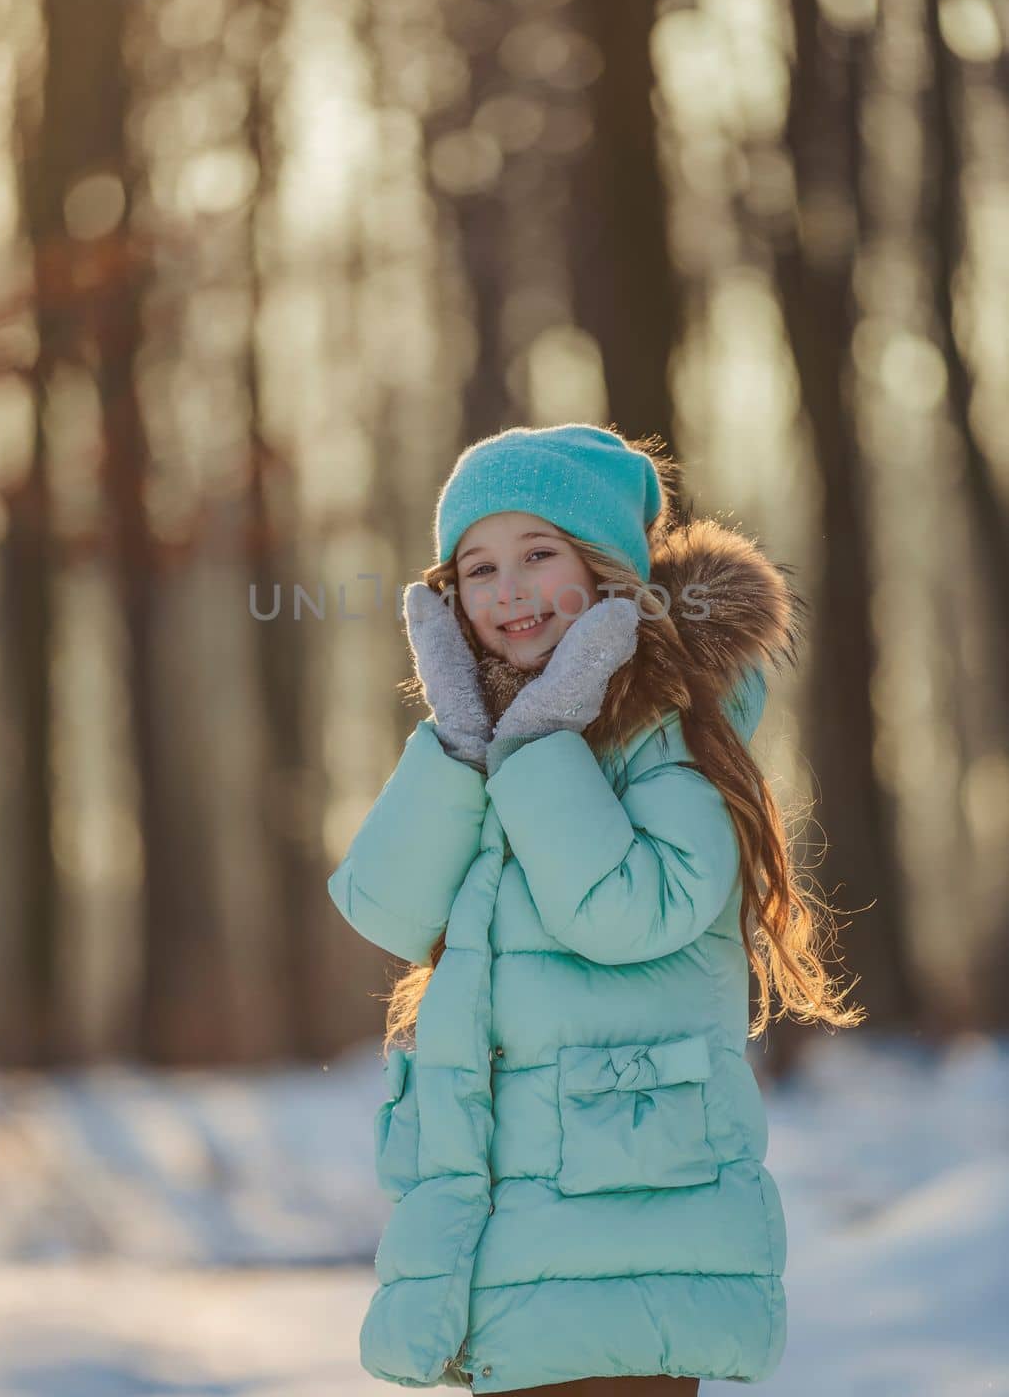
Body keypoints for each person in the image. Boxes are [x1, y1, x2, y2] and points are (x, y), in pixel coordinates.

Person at [327, 422, 863, 1394]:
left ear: (607, 572)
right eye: (477, 567)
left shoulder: (668, 726)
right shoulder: (487, 732)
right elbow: (387, 908)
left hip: (630, 1225)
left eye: (539, 553)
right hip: (510, 1229)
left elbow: (630, 911)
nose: (508, 589)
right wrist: (459, 742)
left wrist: (535, 751)